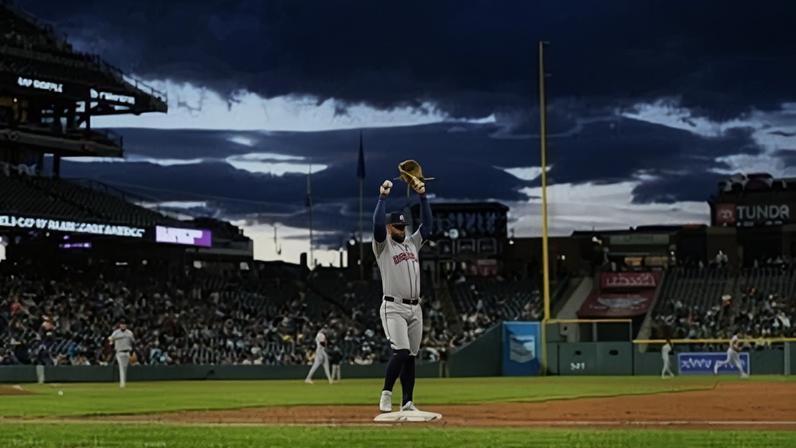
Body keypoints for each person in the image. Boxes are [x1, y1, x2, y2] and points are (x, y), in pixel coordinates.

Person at [373, 177, 432, 413]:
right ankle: (386, 394)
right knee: (401, 351)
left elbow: (427, 227)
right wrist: (382, 199)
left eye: (404, 226)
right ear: (389, 228)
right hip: (393, 306)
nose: (401, 229)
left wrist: (423, 196)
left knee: (411, 357)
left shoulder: (411, 243)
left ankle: (407, 401)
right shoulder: (383, 245)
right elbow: (377, 226)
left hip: (415, 307)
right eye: (397, 226)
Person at [107, 321, 135, 388]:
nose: (123, 326)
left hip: (127, 352)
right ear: (120, 325)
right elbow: (110, 339)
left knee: (125, 368)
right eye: (122, 325)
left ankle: (123, 382)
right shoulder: (116, 332)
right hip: (119, 352)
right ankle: (122, 384)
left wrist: (132, 352)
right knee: (121, 367)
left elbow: (133, 342)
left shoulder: (129, 333)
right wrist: (111, 343)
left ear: (126, 325)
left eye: (124, 325)